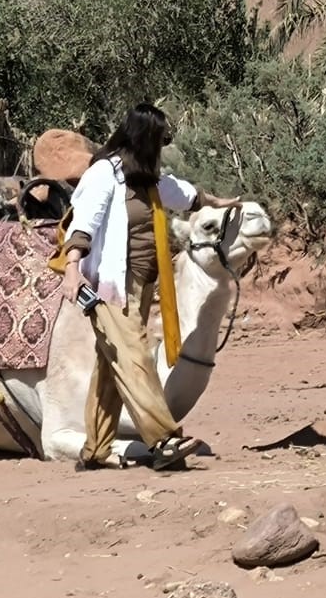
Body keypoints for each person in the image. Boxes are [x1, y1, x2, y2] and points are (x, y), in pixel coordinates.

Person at [58, 104, 237, 471]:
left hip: (140, 286)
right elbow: (84, 222)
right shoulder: (103, 175)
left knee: (113, 365)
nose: (162, 148)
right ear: (142, 139)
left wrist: (215, 202)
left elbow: (183, 194)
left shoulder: (146, 178)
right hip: (109, 288)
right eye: (159, 141)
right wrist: (72, 269)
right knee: (135, 355)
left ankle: (95, 448)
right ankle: (164, 440)